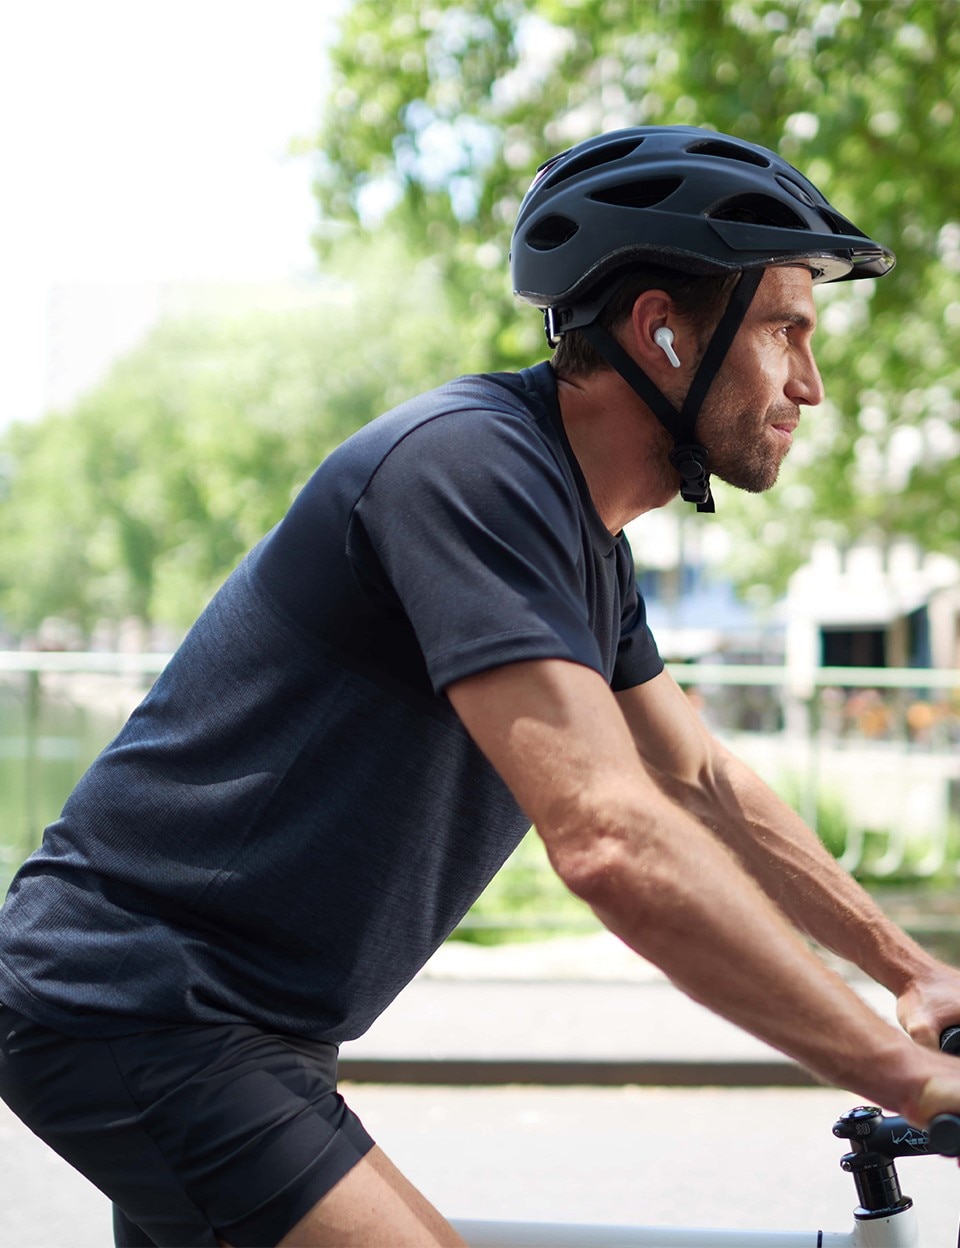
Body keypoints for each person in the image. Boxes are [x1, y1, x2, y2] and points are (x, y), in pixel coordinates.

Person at [1, 124, 960, 1248]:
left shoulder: (584, 539)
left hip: (253, 1027)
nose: (812, 382)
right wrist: (902, 1075)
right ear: (660, 330)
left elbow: (696, 778)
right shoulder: (470, 471)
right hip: (144, 1008)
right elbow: (612, 839)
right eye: (785, 329)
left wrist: (911, 972)